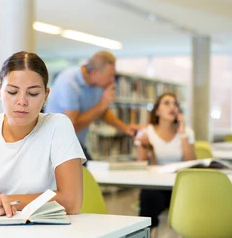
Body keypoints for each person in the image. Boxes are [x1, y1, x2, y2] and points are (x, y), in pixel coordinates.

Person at [0, 51, 86, 217]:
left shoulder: (58, 126)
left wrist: (2, 201)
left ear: (46, 95)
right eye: (12, 92)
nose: (22, 102)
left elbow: (71, 201)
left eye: (33, 93)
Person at [45, 51, 139, 161]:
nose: (112, 80)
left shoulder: (97, 84)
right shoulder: (69, 83)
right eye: (110, 76)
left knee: (91, 173)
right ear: (94, 73)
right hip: (57, 147)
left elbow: (102, 113)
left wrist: (126, 129)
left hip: (76, 144)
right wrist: (102, 104)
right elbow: (71, 127)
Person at [135, 93, 195, 229]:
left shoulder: (186, 132)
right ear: (157, 111)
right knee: (149, 197)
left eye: (175, 104)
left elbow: (191, 161)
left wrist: (182, 131)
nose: (172, 107)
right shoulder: (145, 132)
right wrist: (144, 146)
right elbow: (140, 165)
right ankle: (146, 231)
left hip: (180, 187)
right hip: (156, 186)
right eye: (167, 103)